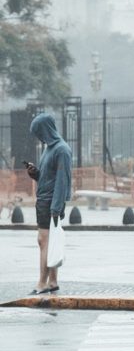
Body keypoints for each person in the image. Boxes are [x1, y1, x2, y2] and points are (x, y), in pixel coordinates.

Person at [26, 112, 72, 294]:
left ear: (46, 129)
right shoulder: (49, 149)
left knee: (43, 241)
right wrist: (35, 174)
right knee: (49, 242)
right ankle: (52, 281)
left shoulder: (62, 149)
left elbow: (62, 180)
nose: (38, 136)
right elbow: (49, 177)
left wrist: (56, 208)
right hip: (45, 200)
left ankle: (42, 283)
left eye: (39, 132)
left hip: (51, 203)